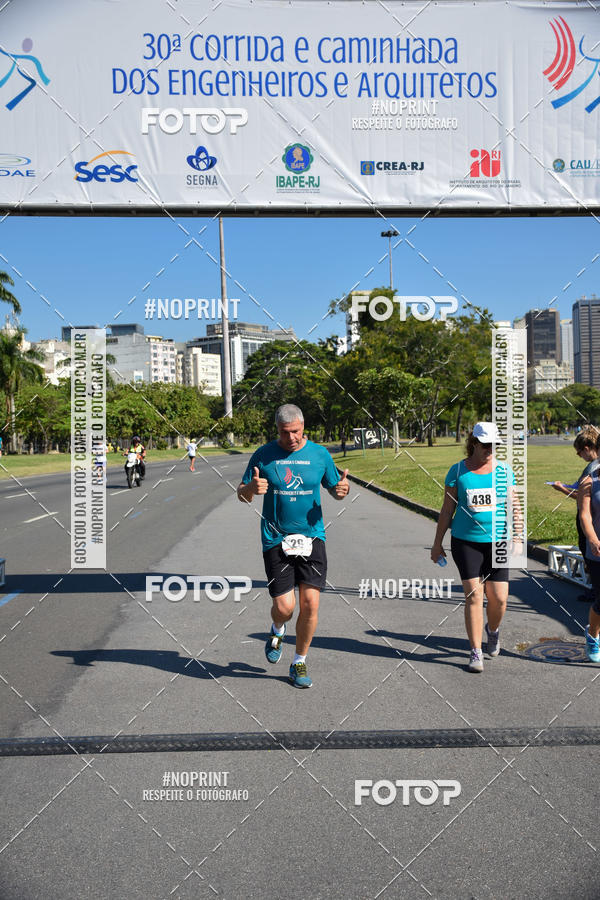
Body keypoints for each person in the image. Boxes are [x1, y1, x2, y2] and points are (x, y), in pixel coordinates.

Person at [237, 403, 350, 688]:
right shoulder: (264, 455)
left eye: (296, 432)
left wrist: (340, 491)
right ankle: (277, 628)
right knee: (286, 608)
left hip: (313, 537)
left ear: (304, 427)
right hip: (276, 539)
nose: (291, 438)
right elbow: (242, 494)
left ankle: (299, 662)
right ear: (277, 429)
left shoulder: (320, 454)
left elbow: (335, 489)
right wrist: (250, 490)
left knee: (310, 604)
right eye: (285, 433)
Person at [431, 422, 522, 673]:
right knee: (474, 595)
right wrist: (437, 543)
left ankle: (492, 631)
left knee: (500, 599)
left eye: (494, 445)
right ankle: (475, 651)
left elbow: (514, 506)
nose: (490, 450)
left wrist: (518, 536)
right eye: (485, 445)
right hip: (465, 541)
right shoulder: (458, 471)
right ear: (473, 443)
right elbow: (447, 509)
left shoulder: (504, 471)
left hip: (498, 541)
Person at [548, 426, 599, 600]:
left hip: (590, 519)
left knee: (590, 555)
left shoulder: (591, 469)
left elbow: (583, 498)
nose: (579, 457)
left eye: (579, 453)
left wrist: (562, 489)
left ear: (586, 448)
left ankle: (594, 590)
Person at [578, 446, 600, 663]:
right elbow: (584, 516)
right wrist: (592, 539)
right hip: (597, 551)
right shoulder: (589, 480)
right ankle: (593, 635)